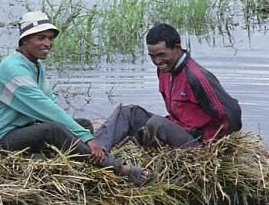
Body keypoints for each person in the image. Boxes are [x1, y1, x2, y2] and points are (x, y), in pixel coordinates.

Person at [0, 11, 150, 185]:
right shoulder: (13, 70)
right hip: (2, 139)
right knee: (54, 130)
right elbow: (48, 110)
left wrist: (81, 133)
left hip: (26, 129)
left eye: (49, 38)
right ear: (24, 39)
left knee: (84, 124)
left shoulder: (35, 65)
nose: (47, 43)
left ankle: (81, 157)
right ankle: (118, 168)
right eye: (40, 38)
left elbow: (50, 102)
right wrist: (88, 138)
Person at [94, 23, 241, 153]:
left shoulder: (196, 77)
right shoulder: (164, 70)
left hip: (196, 142)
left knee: (155, 124)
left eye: (161, 55)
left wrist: (211, 146)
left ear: (177, 48)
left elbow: (232, 114)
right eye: (152, 56)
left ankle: (143, 139)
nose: (157, 61)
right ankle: (96, 149)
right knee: (127, 113)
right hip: (177, 129)